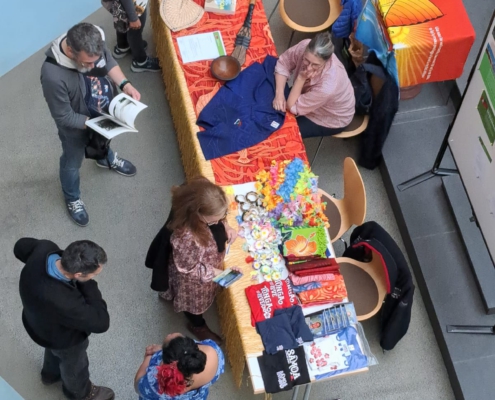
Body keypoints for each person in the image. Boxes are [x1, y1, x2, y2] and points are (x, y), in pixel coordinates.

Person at [41, 22, 140, 227]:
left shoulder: (95, 40)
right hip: (76, 128)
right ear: (70, 51)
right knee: (71, 163)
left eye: (95, 61)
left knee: (104, 141)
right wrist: (99, 123)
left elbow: (108, 61)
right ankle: (72, 197)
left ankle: (105, 158)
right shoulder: (52, 75)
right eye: (87, 63)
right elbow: (63, 116)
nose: (95, 67)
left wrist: (125, 84)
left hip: (102, 110)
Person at [14, 238, 113, 400]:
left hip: (38, 326)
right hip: (65, 339)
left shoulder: (45, 249)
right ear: (78, 274)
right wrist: (90, 285)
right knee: (74, 365)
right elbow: (101, 322)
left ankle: (50, 375)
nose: (94, 277)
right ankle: (80, 393)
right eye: (94, 274)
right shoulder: (65, 302)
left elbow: (20, 246)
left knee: (53, 350)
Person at [158, 177, 237, 345]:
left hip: (209, 261)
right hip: (194, 281)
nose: (218, 222)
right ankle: (197, 325)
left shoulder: (203, 193)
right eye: (214, 220)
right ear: (198, 214)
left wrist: (226, 226)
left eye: (221, 216)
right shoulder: (185, 236)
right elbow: (187, 269)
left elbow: (219, 216)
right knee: (193, 305)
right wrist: (215, 273)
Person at [273, 32, 355, 139]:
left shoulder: (328, 86)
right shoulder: (304, 46)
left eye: (315, 65)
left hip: (332, 115)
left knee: (286, 133)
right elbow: (283, 63)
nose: (309, 68)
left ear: (327, 61)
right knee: (273, 107)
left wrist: (301, 78)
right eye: (306, 60)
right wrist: (279, 95)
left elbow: (291, 106)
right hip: (307, 92)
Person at [135, 333, 225, 400]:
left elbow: (137, 384)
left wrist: (149, 356)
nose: (170, 334)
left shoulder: (151, 385)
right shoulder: (213, 353)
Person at [109, 0, 161, 72]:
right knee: (135, 31)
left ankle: (123, 46)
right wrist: (133, 18)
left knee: (121, 16)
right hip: (134, 4)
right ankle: (141, 62)